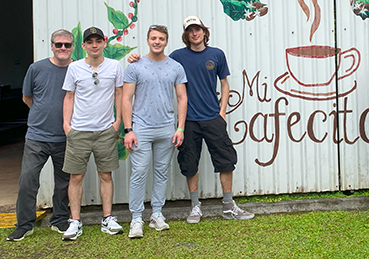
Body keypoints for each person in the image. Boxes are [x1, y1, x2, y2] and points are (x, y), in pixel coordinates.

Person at [129, 16, 253, 223]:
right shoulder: (178, 57)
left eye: (198, 29)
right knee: (189, 163)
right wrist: (136, 58)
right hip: (188, 122)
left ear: (204, 31)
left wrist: (222, 112)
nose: (195, 33)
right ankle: (195, 207)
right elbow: (156, 61)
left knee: (225, 160)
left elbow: (224, 84)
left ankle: (228, 205)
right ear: (186, 35)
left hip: (213, 118)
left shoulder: (217, 54)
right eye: (190, 31)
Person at [6, 30, 74, 242]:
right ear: (52, 46)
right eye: (59, 44)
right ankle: (24, 225)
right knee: (28, 179)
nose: (63, 48)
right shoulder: (36, 68)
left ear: (73, 47)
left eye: (67, 45)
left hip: (65, 137)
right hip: (37, 136)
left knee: (63, 182)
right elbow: (27, 97)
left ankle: (60, 220)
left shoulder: (78, 69)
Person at [122, 25, 187, 239]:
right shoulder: (135, 65)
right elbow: (126, 99)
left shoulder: (176, 67)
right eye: (153, 38)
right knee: (139, 173)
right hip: (140, 127)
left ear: (166, 41)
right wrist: (128, 129)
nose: (157, 42)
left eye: (161, 38)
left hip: (167, 128)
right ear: (148, 40)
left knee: (161, 172)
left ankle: (157, 214)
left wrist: (180, 128)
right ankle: (136, 218)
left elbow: (181, 98)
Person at [61, 27, 124, 240]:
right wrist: (67, 125)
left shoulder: (115, 66)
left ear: (104, 43)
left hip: (105, 130)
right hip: (79, 130)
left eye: (98, 41)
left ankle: (107, 218)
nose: (94, 45)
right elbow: (69, 96)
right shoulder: (75, 68)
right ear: (84, 46)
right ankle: (75, 221)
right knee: (76, 176)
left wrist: (117, 122)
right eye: (90, 42)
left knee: (106, 175)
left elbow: (119, 94)